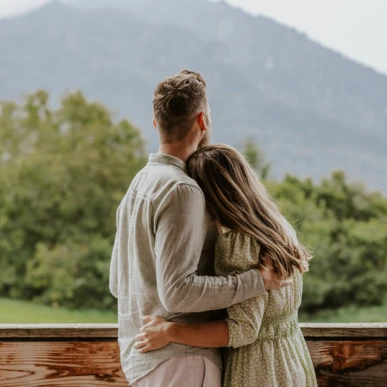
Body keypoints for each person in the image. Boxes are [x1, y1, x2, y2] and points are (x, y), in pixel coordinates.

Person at [109, 70, 290, 387]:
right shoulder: (182, 190)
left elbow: (116, 283)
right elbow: (177, 293)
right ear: (203, 120)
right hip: (181, 361)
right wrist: (257, 281)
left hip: (140, 359)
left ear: (156, 125)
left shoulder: (139, 185)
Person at [134, 144, 318, 387]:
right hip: (291, 362)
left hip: (258, 372)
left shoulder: (240, 243)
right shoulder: (279, 227)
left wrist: (169, 331)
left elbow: (243, 330)